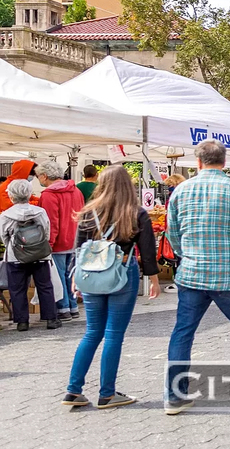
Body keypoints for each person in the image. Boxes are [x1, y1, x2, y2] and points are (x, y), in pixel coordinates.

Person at [165, 139, 230, 415]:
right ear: (224, 162)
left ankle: (175, 396)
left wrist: (186, 254)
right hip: (229, 273)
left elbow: (173, 233)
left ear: (198, 162)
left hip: (191, 273)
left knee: (183, 331)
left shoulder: (181, 190)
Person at [63, 165, 160, 409]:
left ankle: (73, 390)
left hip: (91, 275)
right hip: (122, 274)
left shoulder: (88, 212)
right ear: (128, 186)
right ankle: (106, 393)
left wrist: (75, 276)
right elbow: (147, 250)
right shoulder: (136, 213)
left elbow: (78, 248)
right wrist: (154, 279)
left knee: (92, 332)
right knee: (114, 334)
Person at [0, 179, 59, 331]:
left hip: (16, 257)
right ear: (29, 194)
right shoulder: (40, 212)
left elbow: (4, 237)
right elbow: (46, 232)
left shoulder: (6, 215)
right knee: (45, 286)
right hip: (40, 254)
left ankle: (22, 322)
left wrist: (13, 248)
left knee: (17, 289)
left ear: (12, 196)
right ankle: (51, 318)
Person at [37, 159, 85, 321]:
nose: (39, 180)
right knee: (70, 275)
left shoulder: (49, 195)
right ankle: (73, 306)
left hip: (58, 243)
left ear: (44, 176)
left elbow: (51, 223)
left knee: (58, 277)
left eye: (39, 177)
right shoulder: (76, 191)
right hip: (76, 239)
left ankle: (63, 308)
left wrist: (48, 244)